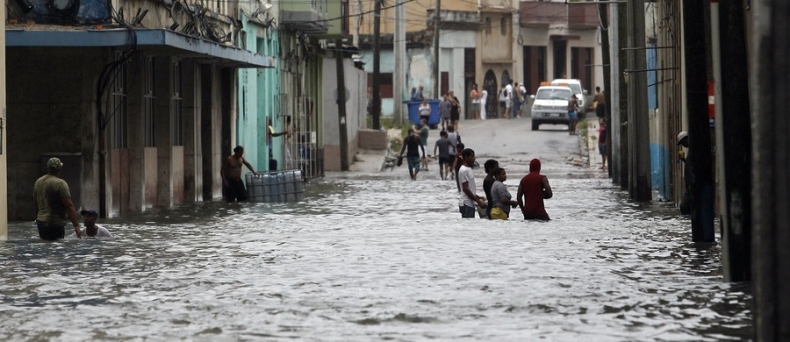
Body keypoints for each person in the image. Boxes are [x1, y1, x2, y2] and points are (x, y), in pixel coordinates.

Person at [34, 157, 82, 240]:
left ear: (48, 168)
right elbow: (69, 206)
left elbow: (35, 202)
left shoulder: (38, 182)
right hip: (55, 222)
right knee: (56, 247)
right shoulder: (60, 183)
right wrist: (76, 226)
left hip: (40, 222)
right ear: (59, 169)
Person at [458, 148, 487, 218]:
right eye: (472, 156)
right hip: (466, 203)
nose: (474, 158)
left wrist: (478, 197)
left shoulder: (469, 169)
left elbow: (469, 188)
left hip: (470, 203)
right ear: (466, 157)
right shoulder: (464, 170)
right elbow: (465, 189)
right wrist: (478, 201)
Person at [677, 131, 691, 215]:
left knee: (683, 206)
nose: (683, 145)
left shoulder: (693, 150)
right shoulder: (690, 151)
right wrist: (684, 160)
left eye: (682, 143)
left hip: (692, 185)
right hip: (689, 185)